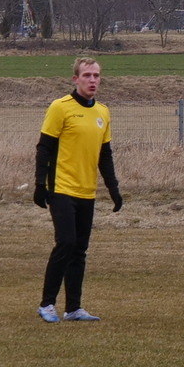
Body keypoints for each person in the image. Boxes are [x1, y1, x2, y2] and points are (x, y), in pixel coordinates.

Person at [34, 57, 121, 323]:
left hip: (87, 191)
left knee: (80, 249)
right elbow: (44, 148)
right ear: (76, 79)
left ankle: (73, 308)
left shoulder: (103, 112)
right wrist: (40, 184)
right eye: (87, 75)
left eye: (96, 75)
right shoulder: (60, 107)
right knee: (66, 242)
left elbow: (105, 155)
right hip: (61, 188)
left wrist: (113, 189)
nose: (92, 80)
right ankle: (47, 304)